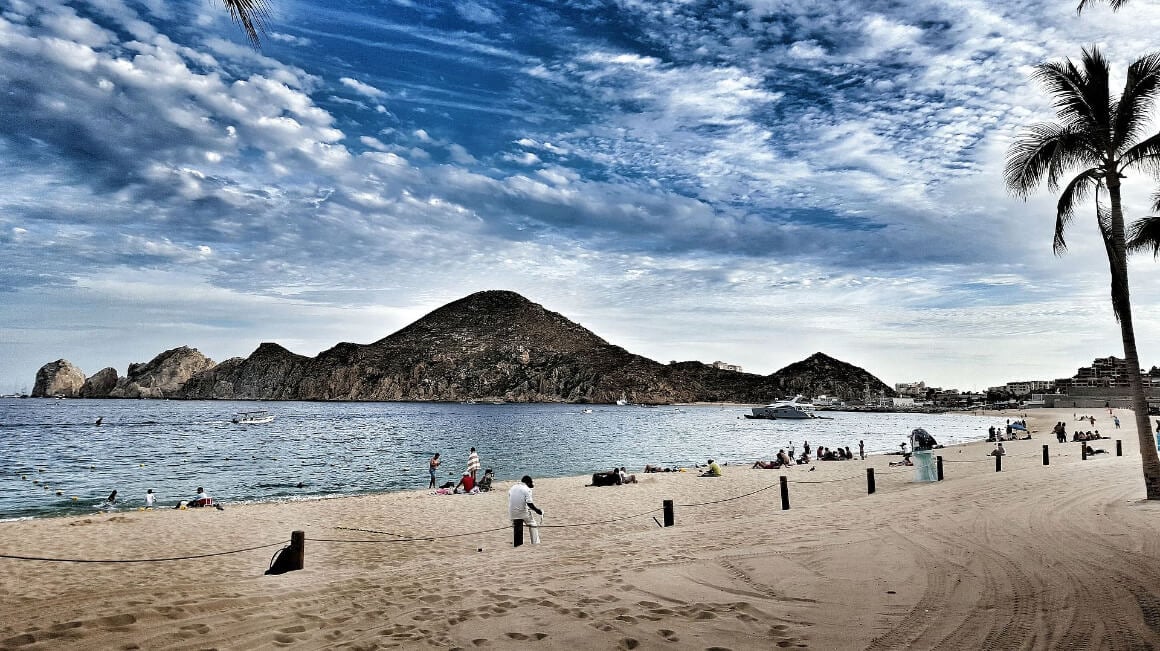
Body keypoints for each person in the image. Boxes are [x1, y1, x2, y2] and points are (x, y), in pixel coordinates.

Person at [508, 475, 543, 546]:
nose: (532, 484)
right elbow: (529, 503)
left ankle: (518, 544)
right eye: (531, 483)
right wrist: (537, 510)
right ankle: (535, 542)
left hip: (513, 513)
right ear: (527, 482)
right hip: (523, 513)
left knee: (518, 526)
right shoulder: (527, 489)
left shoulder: (513, 487)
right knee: (533, 524)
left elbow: (514, 499)